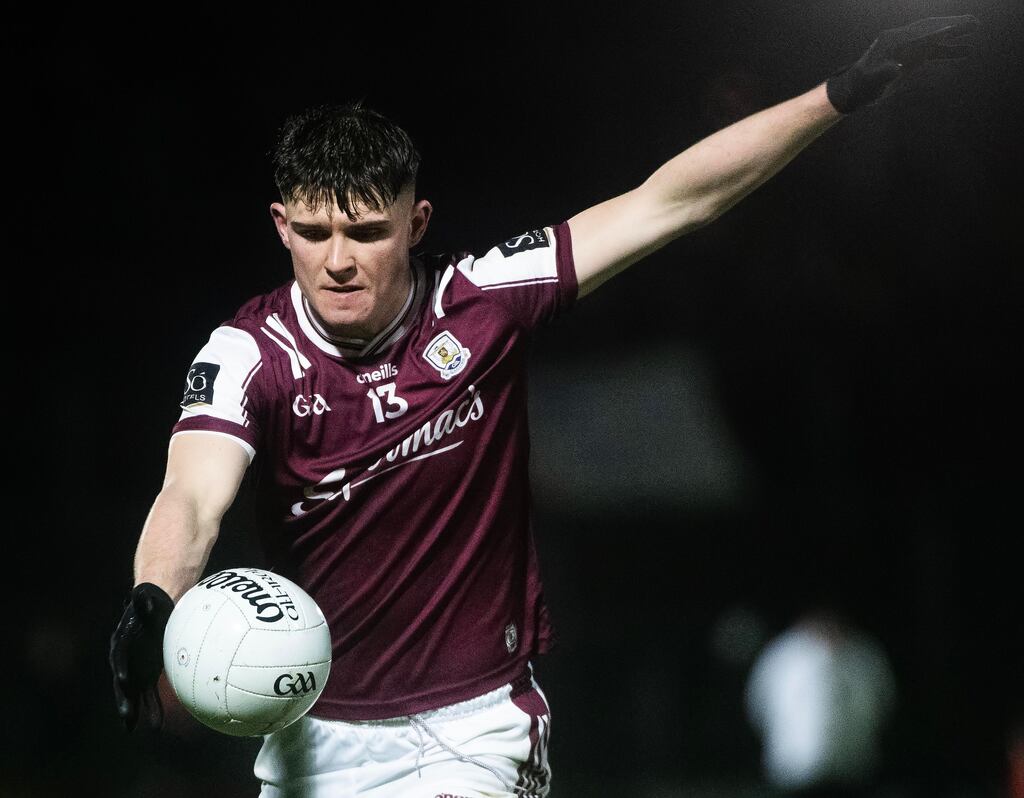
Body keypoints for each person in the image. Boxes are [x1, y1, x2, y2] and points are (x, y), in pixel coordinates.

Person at [110, 16, 977, 798]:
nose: (338, 260)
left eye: (367, 232)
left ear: (416, 223)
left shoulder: (484, 299)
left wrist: (839, 93)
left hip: (471, 733)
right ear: (280, 225)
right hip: (308, 738)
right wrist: (153, 598)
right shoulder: (248, 353)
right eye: (314, 233)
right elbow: (192, 492)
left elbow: (672, 199)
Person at [745, 609, 898, 797]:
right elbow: (760, 703)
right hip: (794, 768)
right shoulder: (784, 654)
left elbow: (882, 702)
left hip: (852, 767)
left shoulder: (863, 655)